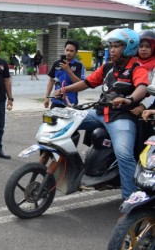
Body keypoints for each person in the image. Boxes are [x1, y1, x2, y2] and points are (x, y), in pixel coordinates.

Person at [53, 28, 148, 200]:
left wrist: (129, 99)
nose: (112, 50)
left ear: (128, 48)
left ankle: (130, 200)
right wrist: (63, 89)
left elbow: (142, 87)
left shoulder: (136, 68)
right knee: (62, 123)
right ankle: (67, 169)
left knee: (124, 155)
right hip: (99, 112)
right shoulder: (107, 67)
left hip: (121, 118)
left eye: (117, 46)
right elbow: (87, 83)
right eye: (111, 46)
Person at [44, 40, 85, 109]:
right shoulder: (56, 63)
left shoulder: (79, 65)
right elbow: (51, 81)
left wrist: (68, 70)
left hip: (70, 102)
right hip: (56, 100)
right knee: (51, 119)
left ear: (76, 52)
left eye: (71, 51)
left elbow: (80, 84)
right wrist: (47, 97)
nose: (68, 53)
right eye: (67, 50)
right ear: (64, 50)